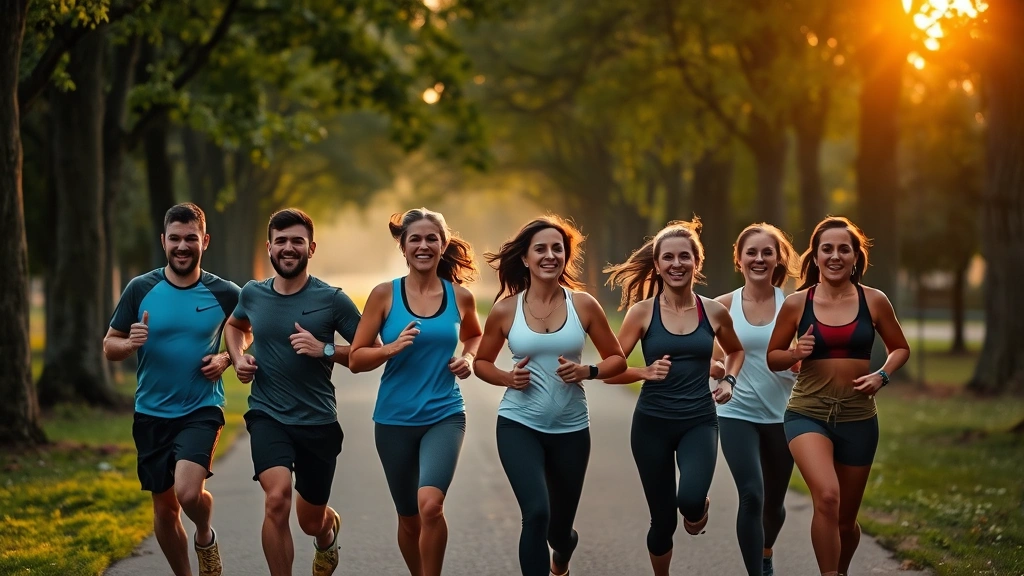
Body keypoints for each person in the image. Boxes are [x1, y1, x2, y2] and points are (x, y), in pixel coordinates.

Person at [472, 215, 627, 576]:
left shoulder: (584, 305)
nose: (549, 255)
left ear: (565, 256)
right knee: (536, 514)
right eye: (540, 248)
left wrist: (587, 371)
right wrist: (508, 378)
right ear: (525, 258)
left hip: (571, 430)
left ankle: (562, 553)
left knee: (559, 531)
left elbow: (617, 359)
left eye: (557, 248)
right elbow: (481, 363)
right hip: (518, 424)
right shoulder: (506, 309)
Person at [225, 208, 369, 576]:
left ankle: (326, 531)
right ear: (270, 247)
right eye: (282, 241)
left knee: (309, 521)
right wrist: (238, 358)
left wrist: (325, 349)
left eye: (297, 241)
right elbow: (236, 325)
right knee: (276, 501)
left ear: (311, 248)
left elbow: (371, 352)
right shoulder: (253, 293)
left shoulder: (333, 299)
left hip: (317, 421)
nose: (289, 248)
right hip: (268, 414)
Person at [766, 216, 910, 576]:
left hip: (859, 418)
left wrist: (882, 375)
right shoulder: (798, 304)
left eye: (843, 249)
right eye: (826, 249)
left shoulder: (874, 300)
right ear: (814, 257)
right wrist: (796, 353)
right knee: (827, 498)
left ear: (855, 257)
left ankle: (840, 571)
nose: (834, 256)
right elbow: (773, 356)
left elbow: (900, 348)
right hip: (807, 413)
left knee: (846, 521)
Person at [602, 219, 745, 576]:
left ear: (697, 262)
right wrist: (643, 372)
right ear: (657, 264)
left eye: (685, 256)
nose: (676, 264)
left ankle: (699, 508)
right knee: (662, 520)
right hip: (651, 425)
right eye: (668, 257)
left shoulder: (713, 311)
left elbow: (736, 352)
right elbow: (610, 370)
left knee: (690, 501)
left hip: (698, 420)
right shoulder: (641, 313)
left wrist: (728, 380)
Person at [103, 203, 238, 576]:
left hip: (200, 408)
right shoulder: (141, 289)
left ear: (204, 241)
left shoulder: (224, 292)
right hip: (151, 412)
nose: (182, 246)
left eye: (190, 238)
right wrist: (129, 344)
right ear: (163, 241)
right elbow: (109, 345)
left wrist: (227, 358)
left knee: (188, 493)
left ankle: (205, 534)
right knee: (164, 509)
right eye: (175, 239)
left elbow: (247, 329)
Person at [347, 208, 483, 576]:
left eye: (431, 239)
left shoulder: (461, 297)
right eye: (415, 239)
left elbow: (474, 335)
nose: (424, 246)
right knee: (409, 518)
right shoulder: (382, 295)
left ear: (444, 244)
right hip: (393, 419)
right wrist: (391, 348)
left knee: (430, 505)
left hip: (445, 414)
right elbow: (357, 359)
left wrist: (468, 358)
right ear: (403, 247)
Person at [709, 223, 800, 576]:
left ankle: (765, 551)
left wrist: (800, 359)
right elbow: (709, 354)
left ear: (778, 259)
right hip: (736, 412)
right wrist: (717, 368)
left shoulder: (793, 305)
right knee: (752, 494)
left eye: (767, 252)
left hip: (784, 414)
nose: (759, 258)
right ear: (739, 258)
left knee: (774, 505)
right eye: (752, 252)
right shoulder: (722, 306)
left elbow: (809, 353)